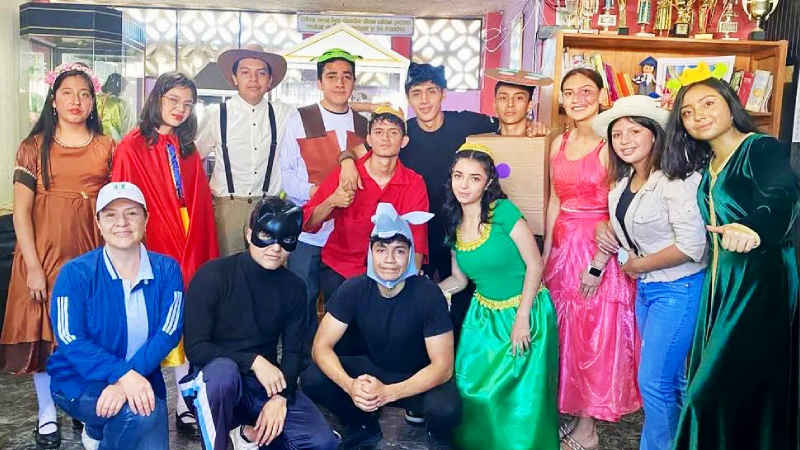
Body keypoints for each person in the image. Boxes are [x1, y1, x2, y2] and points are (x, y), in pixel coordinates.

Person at [339, 62, 550, 356]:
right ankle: (413, 361)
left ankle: (460, 362)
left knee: (463, 304)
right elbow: (358, 150)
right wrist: (346, 162)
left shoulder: (467, 123)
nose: (424, 100)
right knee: (415, 303)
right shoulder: (403, 133)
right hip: (418, 234)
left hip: (464, 230)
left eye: (431, 92)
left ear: (443, 94)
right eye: (416, 93)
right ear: (408, 98)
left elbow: (506, 122)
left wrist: (532, 125)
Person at [665, 73, 800, 450]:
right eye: (687, 112)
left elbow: (783, 194)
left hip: (760, 281)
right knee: (733, 388)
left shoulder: (761, 148)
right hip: (720, 283)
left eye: (708, 103)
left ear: (731, 105)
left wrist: (754, 227)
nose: (698, 115)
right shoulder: (708, 164)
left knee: (708, 394)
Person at [0, 62, 113, 449]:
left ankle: (82, 406)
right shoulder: (33, 147)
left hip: (92, 255)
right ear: (53, 100)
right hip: (43, 258)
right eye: (67, 93)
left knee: (86, 334)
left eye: (84, 94)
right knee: (45, 337)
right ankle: (47, 413)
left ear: (93, 102)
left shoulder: (106, 147)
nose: (76, 101)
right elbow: (21, 211)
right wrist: (32, 267)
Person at [592, 96, 707, 450]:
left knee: (654, 383)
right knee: (672, 381)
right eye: (617, 135)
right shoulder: (623, 181)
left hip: (679, 288)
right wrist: (603, 227)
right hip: (648, 290)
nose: (624, 141)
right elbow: (625, 226)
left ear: (655, 134)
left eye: (634, 131)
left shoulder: (676, 179)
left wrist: (638, 265)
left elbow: (693, 246)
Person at [180, 197, 339, 450]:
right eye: (266, 235)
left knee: (322, 442)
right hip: (213, 380)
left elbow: (293, 352)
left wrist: (280, 397)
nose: (275, 247)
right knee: (223, 373)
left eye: (286, 239)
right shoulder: (212, 275)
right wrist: (254, 361)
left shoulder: (294, 287)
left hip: (262, 384)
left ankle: (247, 434)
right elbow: (196, 348)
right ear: (249, 233)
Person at [301, 203, 461, 450]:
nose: (389, 260)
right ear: (371, 253)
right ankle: (362, 423)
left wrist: (388, 393)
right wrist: (351, 386)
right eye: (381, 250)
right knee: (313, 378)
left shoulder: (428, 294)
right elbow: (321, 347)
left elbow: (443, 367)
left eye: (399, 251)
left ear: (410, 254)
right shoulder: (354, 288)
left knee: (446, 408)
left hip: (417, 377)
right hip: (373, 370)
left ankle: (437, 438)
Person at [112, 71, 219, 435]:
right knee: (152, 319)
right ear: (156, 98)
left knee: (187, 318)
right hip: (153, 238)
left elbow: (199, 202)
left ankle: (185, 403)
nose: (180, 109)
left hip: (191, 235)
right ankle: (141, 399)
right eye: (173, 100)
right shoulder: (131, 146)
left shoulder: (188, 148)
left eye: (188, 104)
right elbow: (123, 203)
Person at [542, 67, 640, 450]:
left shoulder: (611, 145)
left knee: (592, 337)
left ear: (601, 96)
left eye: (586, 91)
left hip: (597, 249)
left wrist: (599, 263)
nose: (577, 98)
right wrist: (546, 253)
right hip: (563, 246)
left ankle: (588, 428)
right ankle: (574, 414)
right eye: (569, 92)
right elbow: (554, 201)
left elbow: (619, 207)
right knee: (565, 335)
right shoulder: (559, 142)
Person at [437, 143, 559, 450]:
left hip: (526, 310)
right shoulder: (453, 222)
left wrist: (522, 318)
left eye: (474, 178)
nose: (464, 185)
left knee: (519, 399)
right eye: (458, 176)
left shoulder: (503, 212)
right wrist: (428, 293)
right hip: (483, 315)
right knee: (472, 388)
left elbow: (535, 265)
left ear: (489, 182)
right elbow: (459, 279)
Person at [47, 182, 184, 450]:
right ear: (98, 223)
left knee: (147, 427)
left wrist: (126, 381)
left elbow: (169, 332)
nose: (122, 222)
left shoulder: (167, 269)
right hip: (79, 379)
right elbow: (69, 337)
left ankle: (99, 431)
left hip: (143, 376)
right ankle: (97, 426)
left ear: (146, 219)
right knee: (139, 414)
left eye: (131, 213)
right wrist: (121, 374)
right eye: (110, 215)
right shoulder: (75, 273)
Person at [279, 48, 369, 357]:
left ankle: (340, 363)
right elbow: (287, 176)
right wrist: (320, 194)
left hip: (348, 235)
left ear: (354, 82)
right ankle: (301, 363)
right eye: (332, 76)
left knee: (344, 302)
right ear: (319, 82)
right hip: (309, 230)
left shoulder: (364, 125)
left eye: (346, 76)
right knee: (301, 299)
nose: (339, 83)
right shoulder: (301, 118)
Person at [302, 106, 429, 299]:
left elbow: (417, 240)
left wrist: (407, 284)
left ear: (404, 141)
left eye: (393, 132)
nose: (385, 138)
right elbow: (307, 222)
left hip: (388, 274)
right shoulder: (347, 174)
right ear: (369, 139)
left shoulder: (414, 183)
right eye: (378, 132)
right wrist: (332, 201)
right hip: (340, 268)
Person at [195, 44, 295, 257]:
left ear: (270, 80)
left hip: (269, 206)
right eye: (245, 73)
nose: (253, 79)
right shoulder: (216, 114)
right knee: (228, 268)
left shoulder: (284, 113)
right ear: (234, 78)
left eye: (261, 73)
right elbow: (194, 159)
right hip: (227, 209)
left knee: (268, 267)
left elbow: (321, 113)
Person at [96, 73, 135, 141]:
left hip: (95, 140)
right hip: (112, 141)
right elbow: (128, 129)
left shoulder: (96, 99)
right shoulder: (121, 104)